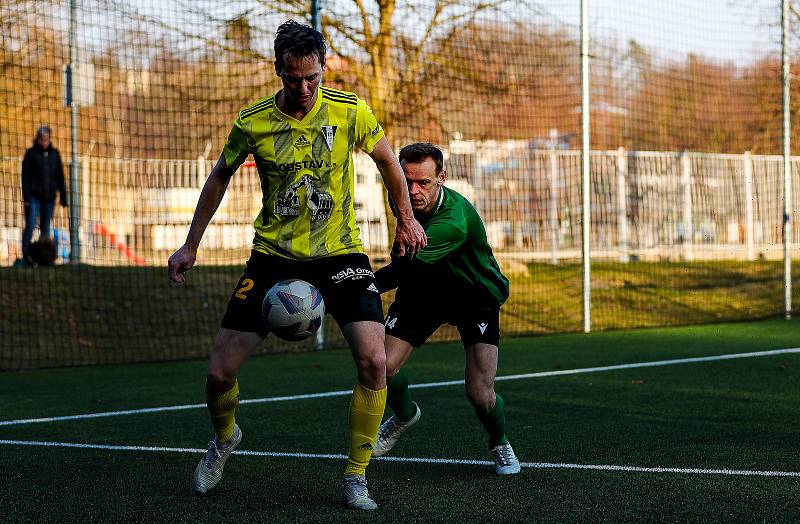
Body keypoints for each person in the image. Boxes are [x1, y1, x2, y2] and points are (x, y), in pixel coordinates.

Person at [167, 20, 426, 510]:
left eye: (313, 78)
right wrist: (189, 245)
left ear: (323, 68)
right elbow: (218, 179)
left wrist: (405, 220)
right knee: (220, 371)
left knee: (374, 363)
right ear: (278, 71)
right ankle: (224, 439)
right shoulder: (253, 120)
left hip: (341, 255)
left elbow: (390, 164)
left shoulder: (350, 111)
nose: (305, 90)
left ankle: (355, 474)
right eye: (293, 79)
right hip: (273, 258)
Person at [371, 143, 521, 475]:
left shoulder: (454, 219)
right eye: (407, 181)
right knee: (382, 364)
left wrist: (354, 286)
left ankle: (500, 442)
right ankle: (404, 415)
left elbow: (403, 268)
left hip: (473, 296)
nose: (413, 190)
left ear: (442, 177)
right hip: (424, 292)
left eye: (423, 182)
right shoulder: (404, 202)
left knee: (480, 393)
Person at [20, 125, 67, 266]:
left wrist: (63, 196)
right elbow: (26, 178)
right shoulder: (31, 154)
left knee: (46, 228)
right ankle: (26, 256)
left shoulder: (54, 154)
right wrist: (27, 198)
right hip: (34, 197)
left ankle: (44, 259)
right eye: (42, 139)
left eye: (47, 139)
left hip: (49, 198)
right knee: (30, 225)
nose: (44, 141)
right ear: (38, 139)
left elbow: (60, 176)